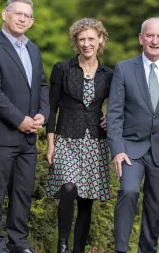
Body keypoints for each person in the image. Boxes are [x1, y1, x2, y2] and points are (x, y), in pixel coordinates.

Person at [107, 17, 159, 253]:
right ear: (141, 38)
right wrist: (117, 150)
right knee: (128, 190)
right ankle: (120, 249)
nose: (155, 41)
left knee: (155, 206)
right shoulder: (124, 68)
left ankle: (147, 250)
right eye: (150, 36)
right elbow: (114, 113)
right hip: (130, 149)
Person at [0, 0, 49, 253]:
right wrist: (20, 120)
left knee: (22, 193)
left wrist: (43, 113)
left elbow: (41, 85)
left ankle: (18, 242)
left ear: (32, 21)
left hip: (28, 139)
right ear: (4, 14)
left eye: (27, 15)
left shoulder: (34, 50)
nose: (22, 18)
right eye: (17, 13)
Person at [45, 18, 113, 253]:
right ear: (76, 42)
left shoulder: (109, 74)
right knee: (69, 188)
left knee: (87, 200)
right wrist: (50, 144)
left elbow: (119, 106)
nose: (86, 44)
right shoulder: (62, 69)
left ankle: (78, 249)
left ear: (101, 40)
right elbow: (51, 107)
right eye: (81, 39)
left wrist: (111, 118)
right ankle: (62, 244)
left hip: (95, 141)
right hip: (65, 138)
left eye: (91, 39)